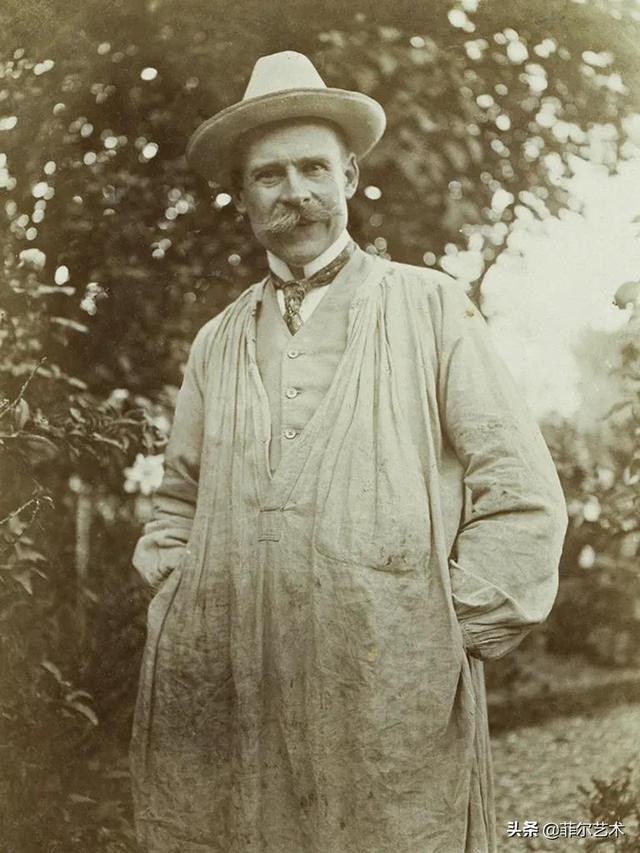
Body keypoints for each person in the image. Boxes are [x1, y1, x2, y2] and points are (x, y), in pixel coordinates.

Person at [130, 50, 568, 853]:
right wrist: (183, 598)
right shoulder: (217, 342)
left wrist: (443, 625)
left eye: (313, 168)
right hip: (242, 686)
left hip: (390, 688)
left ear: (350, 176)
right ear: (244, 196)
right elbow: (177, 501)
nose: (293, 191)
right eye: (269, 175)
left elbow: (521, 488)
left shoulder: (429, 306)